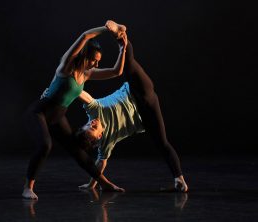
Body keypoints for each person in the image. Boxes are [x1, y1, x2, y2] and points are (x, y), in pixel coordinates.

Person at [75, 21, 189, 192]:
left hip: (137, 90)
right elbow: (101, 163)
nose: (91, 123)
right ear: (96, 140)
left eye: (87, 124)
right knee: (162, 142)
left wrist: (58, 86)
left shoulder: (93, 110)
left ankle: (119, 35)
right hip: (147, 112)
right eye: (92, 129)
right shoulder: (106, 143)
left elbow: (76, 91)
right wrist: (92, 184)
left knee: (129, 69)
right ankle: (180, 181)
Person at [22, 21, 128, 200]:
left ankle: (104, 183)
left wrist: (122, 48)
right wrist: (108, 29)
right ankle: (28, 187)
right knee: (45, 145)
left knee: (77, 151)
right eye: (93, 60)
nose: (95, 64)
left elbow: (116, 72)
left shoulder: (88, 74)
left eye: (98, 61)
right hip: (39, 112)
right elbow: (86, 35)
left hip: (58, 117)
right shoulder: (65, 67)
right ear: (85, 55)